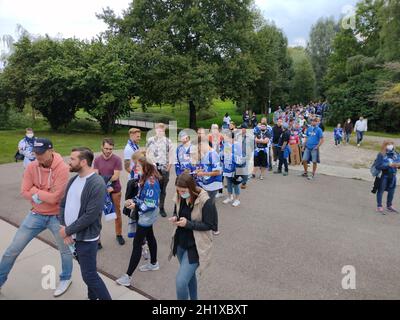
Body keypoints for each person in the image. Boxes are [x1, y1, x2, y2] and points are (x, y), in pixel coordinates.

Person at [0, 138, 72, 297]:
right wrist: (42, 193)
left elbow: (55, 198)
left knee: (65, 251)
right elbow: (24, 191)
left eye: (41, 153)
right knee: (12, 250)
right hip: (36, 214)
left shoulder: (62, 168)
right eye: (35, 152)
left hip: (56, 216)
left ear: (51, 151)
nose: (37, 156)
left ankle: (66, 278)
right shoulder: (32, 166)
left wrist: (35, 191)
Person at [59, 147, 111, 300]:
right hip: (72, 236)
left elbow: (91, 215)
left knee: (89, 276)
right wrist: (64, 227)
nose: (69, 162)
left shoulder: (96, 183)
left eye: (73, 159)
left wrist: (68, 230)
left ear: (83, 162)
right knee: (89, 272)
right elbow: (63, 205)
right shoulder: (73, 180)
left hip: (86, 239)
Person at [168, 173, 217, 300]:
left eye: (183, 191)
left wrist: (188, 224)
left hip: (196, 246)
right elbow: (177, 211)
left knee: (181, 282)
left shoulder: (206, 201)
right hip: (180, 243)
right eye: (178, 190)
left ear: (191, 187)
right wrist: (175, 217)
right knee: (189, 277)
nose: (180, 193)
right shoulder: (180, 195)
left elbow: (209, 225)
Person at [116, 154, 161, 287]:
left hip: (147, 216)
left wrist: (136, 205)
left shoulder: (151, 181)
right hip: (146, 214)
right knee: (150, 236)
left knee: (137, 244)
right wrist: (133, 200)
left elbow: (151, 203)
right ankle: (154, 263)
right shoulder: (145, 177)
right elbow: (142, 196)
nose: (135, 167)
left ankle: (128, 276)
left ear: (146, 166)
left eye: (138, 165)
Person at [93, 138, 125, 246]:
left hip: (115, 190)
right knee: (97, 216)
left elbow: (116, 176)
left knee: (117, 213)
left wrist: (106, 181)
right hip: (101, 191)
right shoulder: (97, 160)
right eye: (106, 148)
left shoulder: (117, 159)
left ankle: (119, 234)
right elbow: (96, 175)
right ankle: (97, 240)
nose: (108, 151)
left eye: (110, 149)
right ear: (102, 147)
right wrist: (105, 185)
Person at [195, 128, 222, 235]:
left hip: (213, 185)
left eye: (198, 146)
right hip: (206, 184)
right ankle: (211, 226)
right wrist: (200, 171)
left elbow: (217, 172)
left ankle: (214, 228)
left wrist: (203, 174)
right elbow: (207, 169)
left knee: (210, 206)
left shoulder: (212, 154)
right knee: (209, 205)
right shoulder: (205, 154)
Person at [146, 123, 173, 217]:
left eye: (162, 130)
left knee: (162, 190)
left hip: (164, 169)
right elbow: (147, 154)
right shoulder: (150, 141)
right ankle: (152, 206)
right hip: (153, 169)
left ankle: (161, 207)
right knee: (152, 188)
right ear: (155, 130)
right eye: (158, 130)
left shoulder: (168, 141)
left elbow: (171, 156)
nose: (160, 132)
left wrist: (168, 168)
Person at [374, 141, 400, 214]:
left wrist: (398, 165)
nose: (390, 146)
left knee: (391, 192)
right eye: (388, 144)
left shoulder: (396, 154)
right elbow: (377, 166)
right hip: (384, 175)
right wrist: (388, 165)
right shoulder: (381, 154)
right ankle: (379, 206)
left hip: (393, 175)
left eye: (392, 144)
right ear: (384, 145)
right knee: (381, 190)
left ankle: (389, 206)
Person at [221, 130, 242, 207]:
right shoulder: (226, 144)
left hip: (235, 168)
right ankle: (230, 197)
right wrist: (222, 155)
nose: (224, 138)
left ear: (231, 137)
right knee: (228, 182)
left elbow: (240, 158)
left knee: (235, 184)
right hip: (227, 167)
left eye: (226, 137)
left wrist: (231, 155)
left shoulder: (237, 145)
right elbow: (223, 154)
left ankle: (237, 199)